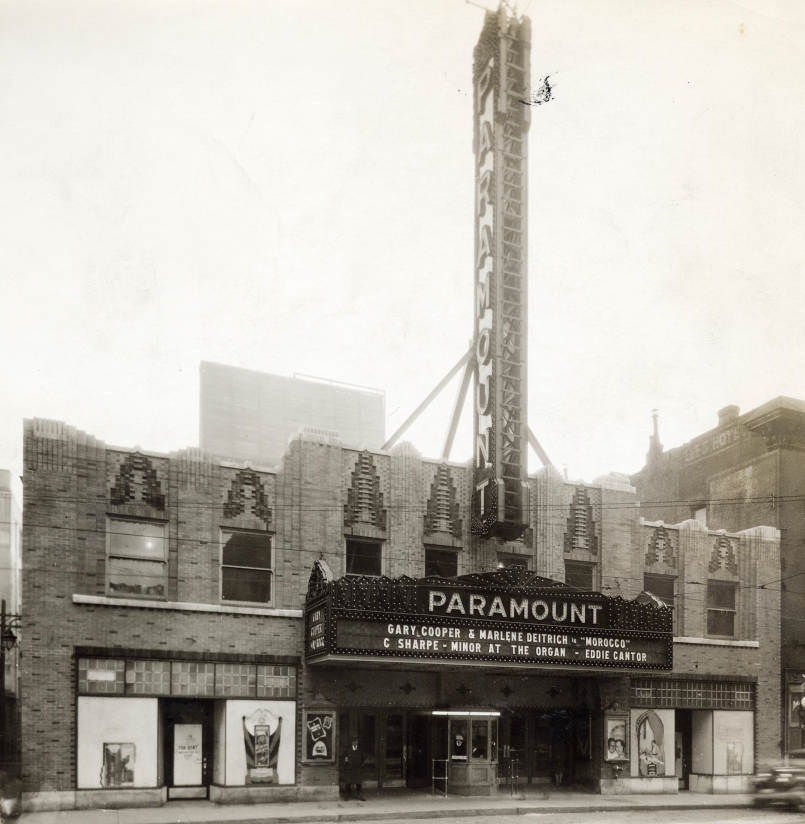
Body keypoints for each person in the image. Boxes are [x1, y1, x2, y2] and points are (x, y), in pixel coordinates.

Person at [341, 736, 366, 800]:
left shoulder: (360, 749)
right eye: (354, 742)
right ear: (352, 743)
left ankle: (360, 795)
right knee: (348, 782)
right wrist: (346, 763)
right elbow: (344, 758)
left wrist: (361, 765)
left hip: (358, 768)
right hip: (350, 769)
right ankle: (347, 795)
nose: (355, 743)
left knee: (358, 783)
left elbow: (364, 758)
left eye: (356, 741)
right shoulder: (347, 750)